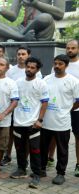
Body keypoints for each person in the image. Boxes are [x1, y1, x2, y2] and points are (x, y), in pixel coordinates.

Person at [10, 57, 49, 189]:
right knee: (20, 148)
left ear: (37, 70)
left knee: (35, 150)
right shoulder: (18, 82)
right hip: (18, 122)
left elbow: (45, 102)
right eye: (28, 67)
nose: (29, 69)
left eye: (32, 68)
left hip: (33, 123)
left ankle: (36, 174)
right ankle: (21, 169)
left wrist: (40, 120)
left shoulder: (41, 83)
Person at [41, 54, 79, 185]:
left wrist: (67, 109)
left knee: (62, 150)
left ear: (66, 65)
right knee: (43, 147)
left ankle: (60, 173)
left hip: (62, 123)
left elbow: (78, 101)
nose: (57, 66)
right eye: (55, 63)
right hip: (46, 121)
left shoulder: (73, 81)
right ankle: (41, 169)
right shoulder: (46, 79)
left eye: (60, 64)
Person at [1, 46, 42, 166]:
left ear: (28, 55)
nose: (20, 56)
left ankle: (25, 159)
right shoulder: (11, 70)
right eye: (19, 54)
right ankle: (7, 155)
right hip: (13, 107)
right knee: (10, 133)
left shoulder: (36, 73)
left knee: (28, 136)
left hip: (28, 110)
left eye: (23, 54)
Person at [0, 0, 65, 42]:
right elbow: (13, 16)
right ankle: (21, 38)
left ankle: (14, 36)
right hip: (23, 29)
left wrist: (35, 3)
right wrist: (0, 10)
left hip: (41, 29)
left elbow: (60, 15)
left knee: (45, 17)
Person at [65, 40, 79, 177]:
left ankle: (78, 164)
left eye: (73, 48)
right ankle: (51, 158)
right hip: (60, 108)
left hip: (77, 108)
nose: (70, 50)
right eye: (68, 48)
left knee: (78, 137)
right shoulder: (60, 64)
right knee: (54, 135)